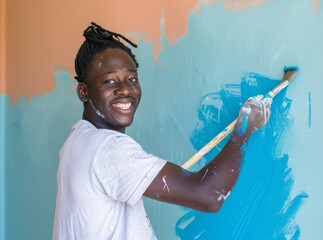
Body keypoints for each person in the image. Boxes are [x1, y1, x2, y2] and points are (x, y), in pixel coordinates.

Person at [52, 22, 272, 240]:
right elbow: (209, 195)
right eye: (109, 81)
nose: (125, 90)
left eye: (131, 79)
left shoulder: (77, 141)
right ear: (84, 92)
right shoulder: (108, 148)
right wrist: (245, 129)